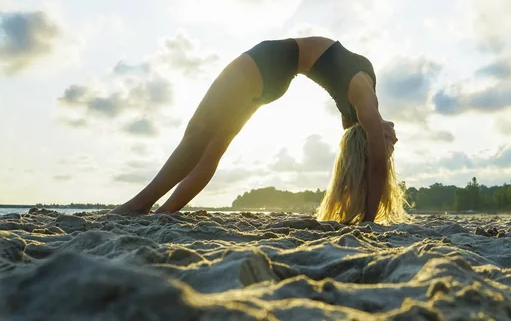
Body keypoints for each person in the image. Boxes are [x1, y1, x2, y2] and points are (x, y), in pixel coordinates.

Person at [111, 36, 406, 223]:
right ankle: (164, 213)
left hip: (269, 62)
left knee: (197, 133)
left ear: (373, 136)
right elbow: (361, 158)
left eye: (388, 139)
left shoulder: (366, 103)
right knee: (213, 148)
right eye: (392, 139)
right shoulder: (354, 117)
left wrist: (367, 222)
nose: (394, 134)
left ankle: (140, 204)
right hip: (275, 79)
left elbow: (376, 164)